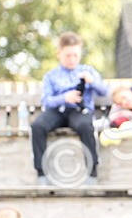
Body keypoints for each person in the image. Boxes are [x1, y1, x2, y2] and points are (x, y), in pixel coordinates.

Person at [31, 31, 107, 186]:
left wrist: (92, 81)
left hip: (79, 111)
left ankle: (92, 173)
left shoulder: (88, 71)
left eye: (75, 55)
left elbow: (104, 91)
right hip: (57, 111)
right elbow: (46, 100)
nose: (72, 59)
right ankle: (42, 174)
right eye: (68, 55)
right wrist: (64, 98)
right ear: (59, 54)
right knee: (37, 126)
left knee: (86, 126)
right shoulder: (51, 75)